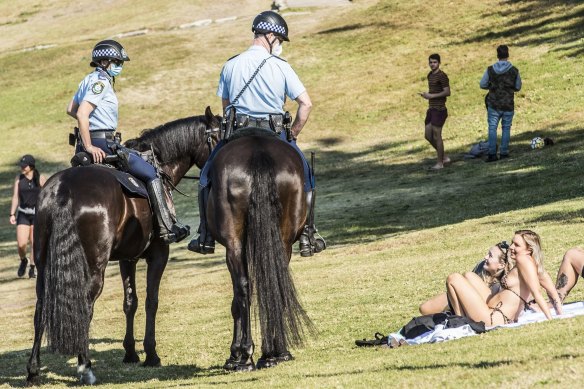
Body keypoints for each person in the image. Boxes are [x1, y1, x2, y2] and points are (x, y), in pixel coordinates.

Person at [188, 10, 325, 256]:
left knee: (206, 175)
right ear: (271, 35)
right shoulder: (281, 66)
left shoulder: (230, 64)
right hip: (274, 133)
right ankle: (308, 234)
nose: (280, 46)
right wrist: (293, 132)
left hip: (237, 132)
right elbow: (306, 104)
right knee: (306, 174)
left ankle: (205, 235)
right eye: (280, 41)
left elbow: (226, 106)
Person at [66, 40, 189, 244]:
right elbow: (81, 113)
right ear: (103, 61)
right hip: (103, 143)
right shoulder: (101, 83)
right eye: (116, 62)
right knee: (151, 173)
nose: (119, 66)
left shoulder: (87, 80)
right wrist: (90, 145)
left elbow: (70, 108)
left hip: (94, 140)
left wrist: (88, 130)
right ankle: (167, 227)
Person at [446, 230, 562, 326]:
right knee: (469, 275)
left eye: (516, 245)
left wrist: (550, 320)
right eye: (512, 243)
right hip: (496, 313)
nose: (511, 247)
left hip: (493, 318)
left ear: (529, 249)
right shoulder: (535, 266)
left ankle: (460, 321)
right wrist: (560, 314)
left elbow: (537, 293)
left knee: (453, 278)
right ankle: (462, 317)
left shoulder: (523, 260)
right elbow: (552, 292)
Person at [419, 241, 510, 315]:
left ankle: (459, 318)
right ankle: (454, 312)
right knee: (424, 309)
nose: (485, 257)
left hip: (480, 307)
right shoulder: (481, 266)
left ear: (501, 265)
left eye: (490, 256)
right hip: (461, 298)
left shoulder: (504, 282)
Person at [479, 45, 522, 162]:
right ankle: (504, 152)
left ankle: (492, 154)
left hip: (493, 103)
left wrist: (492, 87)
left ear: (497, 55)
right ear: (507, 55)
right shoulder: (514, 70)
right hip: (508, 103)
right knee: (506, 128)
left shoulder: (490, 70)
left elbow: (482, 84)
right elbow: (518, 87)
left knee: (492, 128)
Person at [9, 155, 47, 278]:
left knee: (34, 242)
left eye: (24, 165)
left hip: (37, 214)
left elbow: (47, 196)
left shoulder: (41, 178)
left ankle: (32, 267)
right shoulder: (19, 178)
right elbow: (15, 197)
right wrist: (12, 213)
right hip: (23, 213)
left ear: (31, 166)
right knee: (21, 244)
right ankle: (23, 260)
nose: (22, 167)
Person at [419, 53, 451, 170]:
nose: (432, 64)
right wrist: (426, 95)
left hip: (440, 109)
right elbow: (432, 92)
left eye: (435, 62)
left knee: (437, 136)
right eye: (431, 62)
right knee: (428, 135)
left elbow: (447, 92)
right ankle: (444, 157)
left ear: (439, 63)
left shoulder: (442, 76)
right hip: (431, 109)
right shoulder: (430, 75)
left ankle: (440, 163)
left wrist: (431, 96)